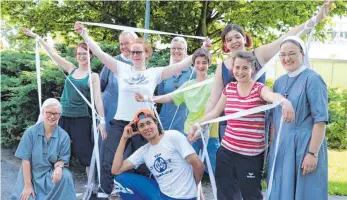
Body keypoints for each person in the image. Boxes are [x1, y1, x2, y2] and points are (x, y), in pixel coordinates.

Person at [74, 21, 210, 196]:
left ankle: (144, 194)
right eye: (132, 52)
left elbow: (181, 65)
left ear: (146, 53)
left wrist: (200, 50)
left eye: (138, 51)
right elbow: (100, 53)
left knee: (146, 165)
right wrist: (84, 34)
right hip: (121, 123)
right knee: (109, 160)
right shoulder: (121, 68)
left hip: (145, 124)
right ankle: (104, 193)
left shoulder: (154, 73)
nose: (135, 55)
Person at [204, 1, 333, 140]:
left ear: (244, 38)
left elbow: (286, 36)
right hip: (229, 125)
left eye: (237, 37)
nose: (234, 41)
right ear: (225, 44)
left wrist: (316, 18)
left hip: (256, 125)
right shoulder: (221, 67)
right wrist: (203, 124)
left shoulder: (259, 54)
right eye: (229, 39)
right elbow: (213, 99)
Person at [189, 51, 295, 200]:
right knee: (225, 195)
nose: (240, 71)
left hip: (250, 157)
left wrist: (284, 101)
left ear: (253, 69)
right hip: (226, 153)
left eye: (245, 68)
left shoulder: (259, 89)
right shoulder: (230, 89)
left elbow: (271, 96)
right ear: (232, 69)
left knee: (251, 195)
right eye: (237, 67)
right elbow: (215, 113)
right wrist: (197, 125)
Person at [23, 28, 107, 182]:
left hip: (81, 119)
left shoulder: (93, 76)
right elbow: (53, 54)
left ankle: (92, 188)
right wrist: (37, 37)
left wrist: (102, 121)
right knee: (54, 150)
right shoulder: (71, 69)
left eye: (85, 53)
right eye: (79, 54)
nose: (82, 56)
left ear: (91, 56)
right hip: (60, 117)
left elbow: (98, 100)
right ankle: (50, 184)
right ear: (76, 56)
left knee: (85, 153)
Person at [136, 48, 219, 173]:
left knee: (215, 168)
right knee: (190, 169)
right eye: (197, 62)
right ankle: (196, 193)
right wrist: (147, 98)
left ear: (209, 64)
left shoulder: (215, 80)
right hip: (190, 131)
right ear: (193, 64)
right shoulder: (188, 85)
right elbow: (169, 97)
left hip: (211, 130)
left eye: (204, 62)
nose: (200, 65)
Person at [266, 36, 328, 200]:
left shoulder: (313, 79)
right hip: (282, 147)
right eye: (283, 54)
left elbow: (320, 120)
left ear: (302, 54)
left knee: (305, 193)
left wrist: (312, 154)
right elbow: (274, 120)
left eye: (292, 53)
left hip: (304, 146)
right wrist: (272, 149)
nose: (287, 58)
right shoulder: (279, 82)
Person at [111, 108, 205, 200]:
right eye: (142, 126)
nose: (146, 128)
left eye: (148, 123)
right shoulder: (144, 151)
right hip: (163, 196)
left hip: (184, 197)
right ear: (139, 131)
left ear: (156, 123)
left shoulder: (173, 136)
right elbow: (116, 170)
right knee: (120, 179)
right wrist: (124, 138)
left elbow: (199, 165)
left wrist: (193, 184)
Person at [11, 98, 76, 200]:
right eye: (49, 112)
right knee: (28, 196)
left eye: (56, 113)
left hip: (49, 174)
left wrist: (58, 168)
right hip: (31, 174)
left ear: (60, 115)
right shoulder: (30, 132)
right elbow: (25, 160)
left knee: (66, 176)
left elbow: (62, 159)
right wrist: (28, 186)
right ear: (43, 113)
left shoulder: (64, 136)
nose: (52, 116)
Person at [100, 31, 138, 132]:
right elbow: (100, 87)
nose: (124, 46)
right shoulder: (112, 62)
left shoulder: (139, 64)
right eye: (121, 44)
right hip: (109, 113)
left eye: (127, 43)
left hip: (128, 114)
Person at [158, 37, 195, 133]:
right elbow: (160, 97)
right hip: (166, 121)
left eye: (180, 48)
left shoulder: (193, 72)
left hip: (185, 122)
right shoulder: (164, 72)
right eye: (173, 48)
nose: (176, 51)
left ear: (185, 51)